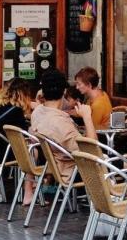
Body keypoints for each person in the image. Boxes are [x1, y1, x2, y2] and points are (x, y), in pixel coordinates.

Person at [28, 70, 95, 204]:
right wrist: (87, 117)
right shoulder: (61, 123)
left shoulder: (37, 112)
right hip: (77, 171)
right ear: (64, 92)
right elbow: (92, 151)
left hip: (55, 168)